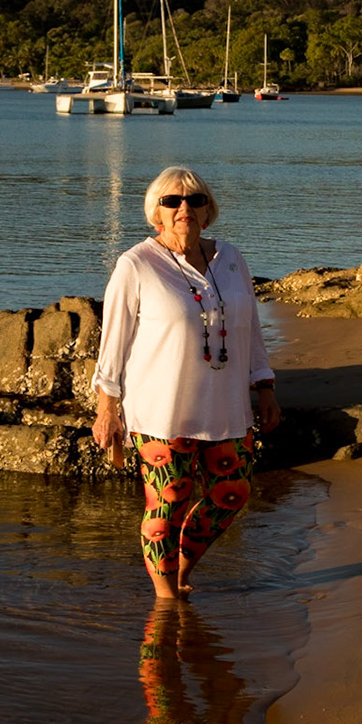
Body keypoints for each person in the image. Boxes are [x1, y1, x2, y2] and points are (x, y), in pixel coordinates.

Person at [92, 167, 281, 599]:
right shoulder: (136, 264)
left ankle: (181, 570)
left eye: (194, 201)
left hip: (226, 407)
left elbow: (250, 327)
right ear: (155, 212)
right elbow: (113, 341)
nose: (184, 209)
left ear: (208, 210)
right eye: (172, 202)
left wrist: (264, 387)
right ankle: (165, 598)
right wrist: (107, 408)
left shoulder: (230, 258)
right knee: (167, 504)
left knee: (232, 493)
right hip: (162, 410)